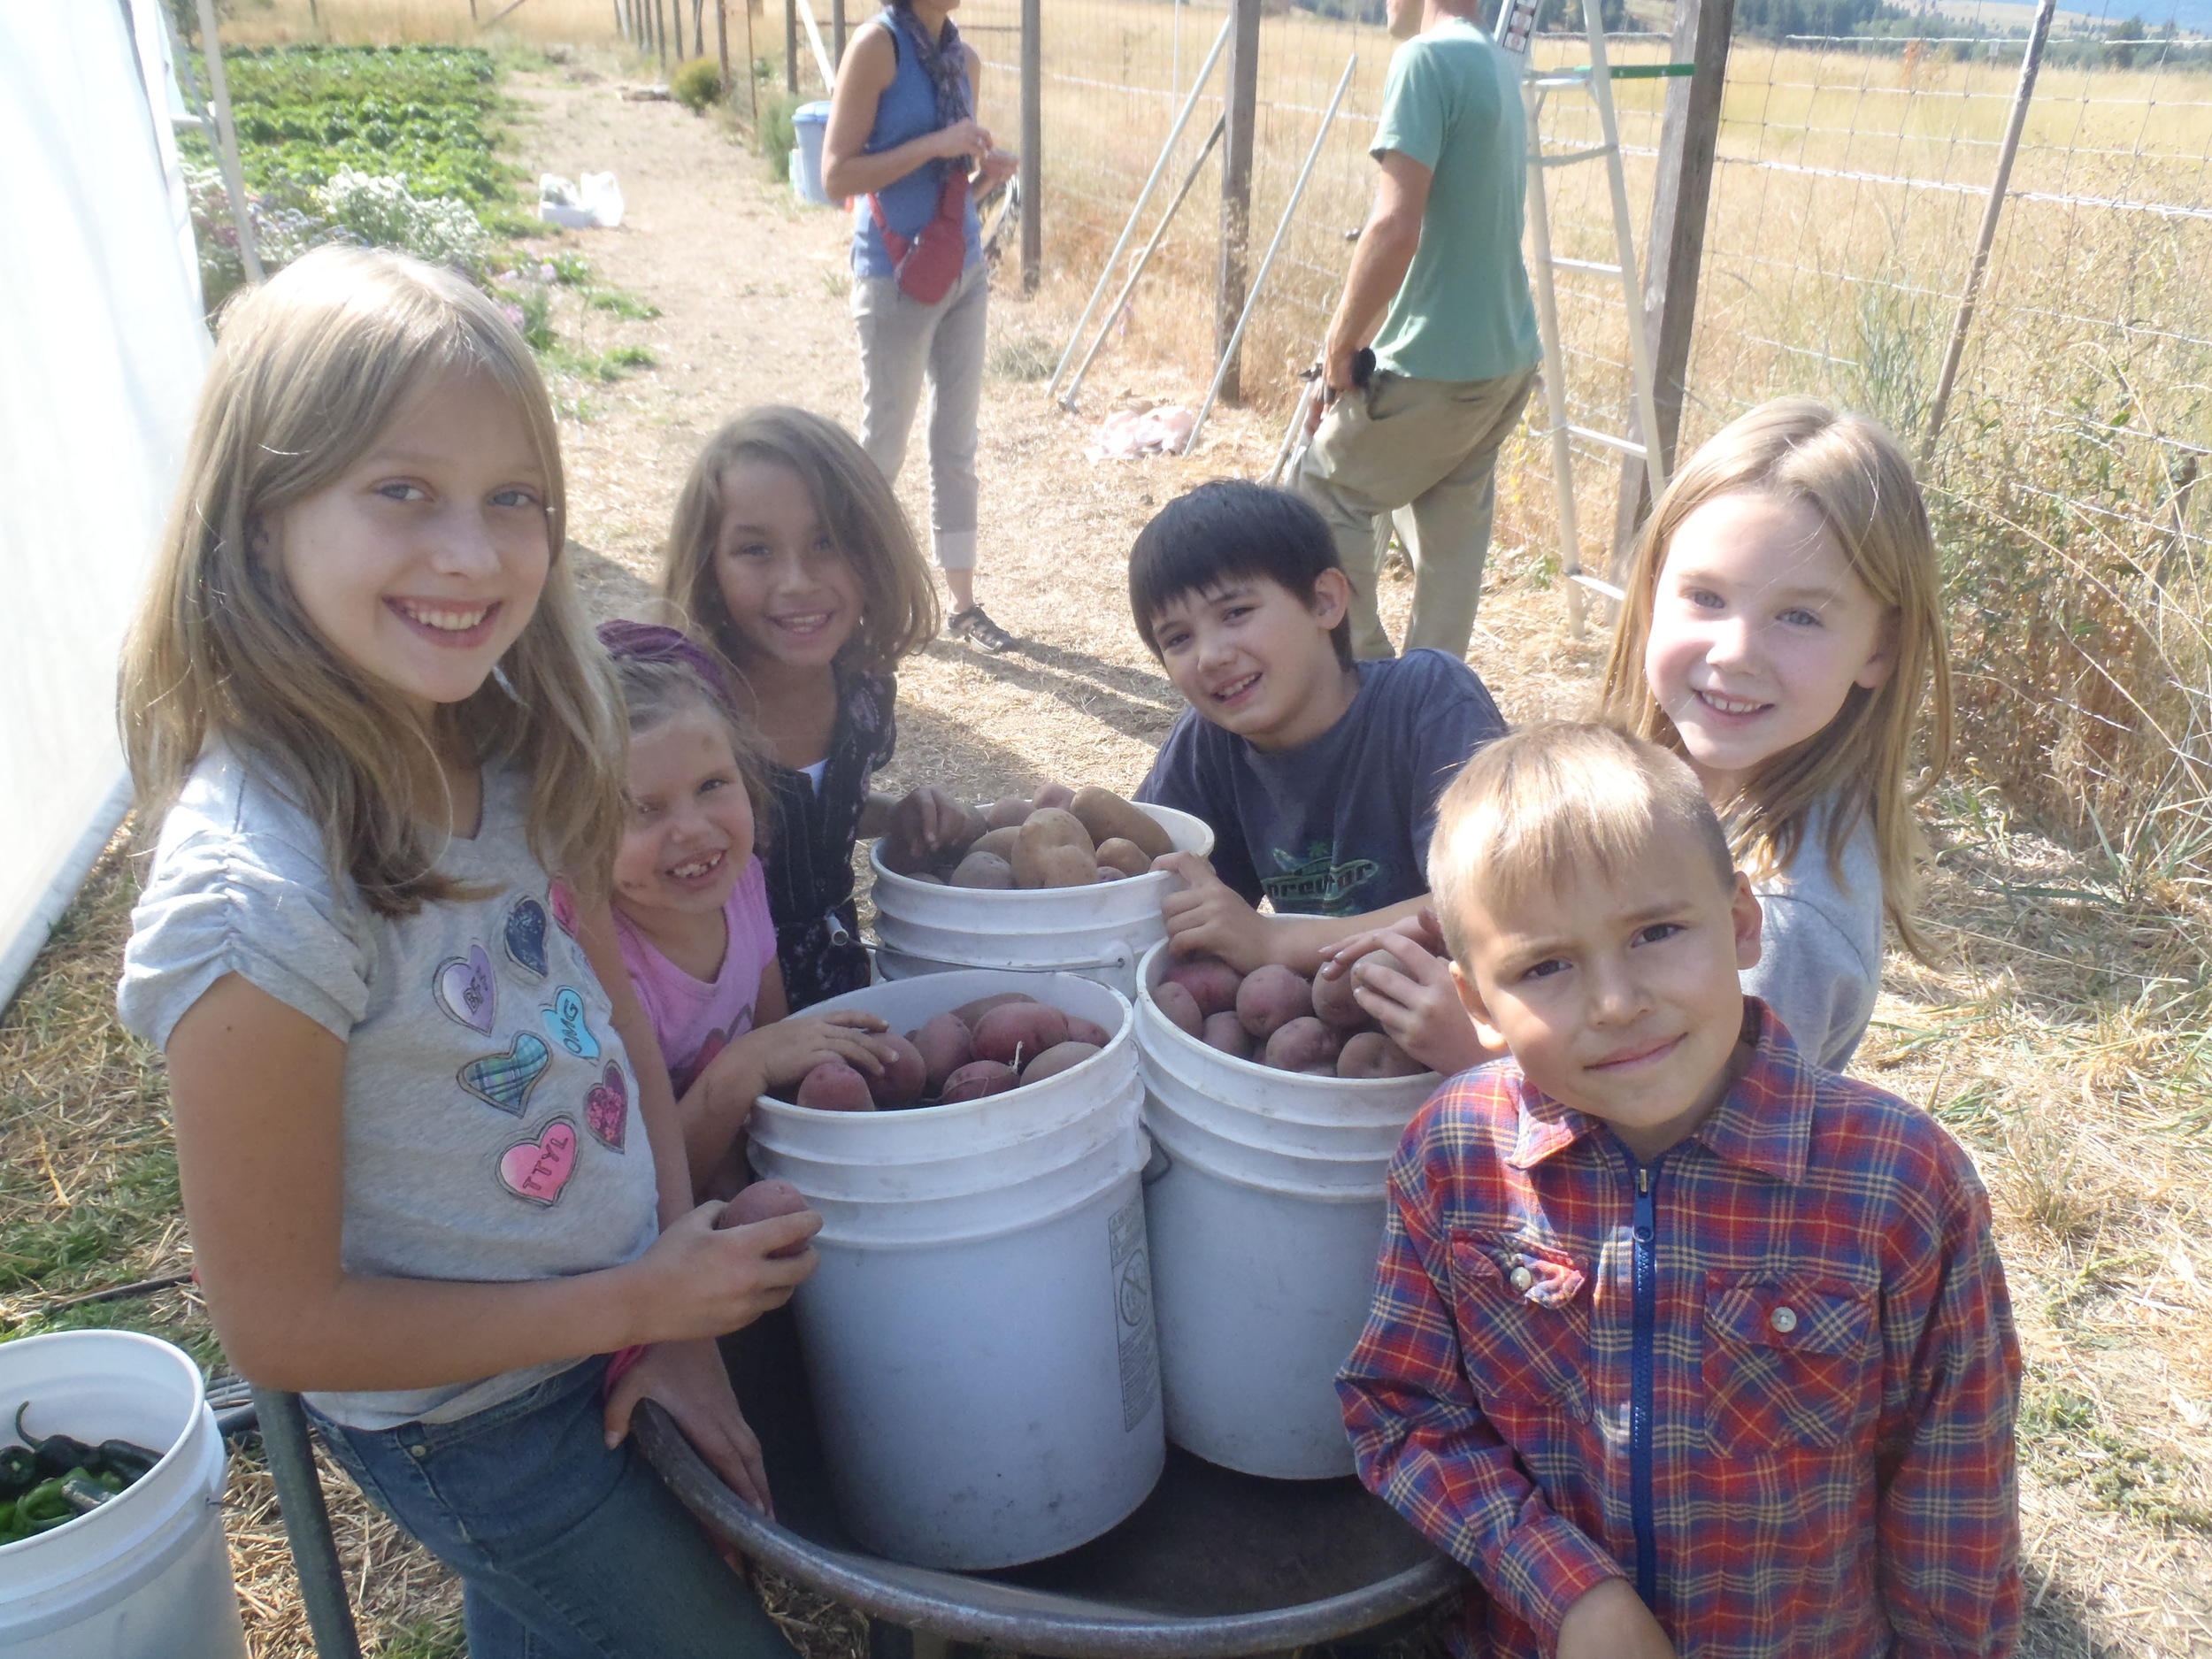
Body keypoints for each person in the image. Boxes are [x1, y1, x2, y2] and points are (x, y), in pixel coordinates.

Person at [114, 247, 814, 1659]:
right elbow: (285, 1327)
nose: (476, 554)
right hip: (478, 1425)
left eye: (516, 499)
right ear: (259, 518)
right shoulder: (255, 905)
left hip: (616, 1309)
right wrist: (640, 1298)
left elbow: (612, 1010)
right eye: (401, 492)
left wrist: (668, 1300)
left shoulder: (499, 736)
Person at [1339, 721, 2021, 1659]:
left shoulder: (1896, 1185)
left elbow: (1956, 1490)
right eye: (1545, 966)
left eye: (1656, 932)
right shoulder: (1454, 1158)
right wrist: (1573, 1595)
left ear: (1742, 923)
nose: (1616, 1001)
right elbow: (1402, 1409)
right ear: (1477, 1007)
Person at [1598, 396, 1952, 1070]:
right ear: (1650, 595)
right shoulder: (1674, 798)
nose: (1735, 652)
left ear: (1880, 648)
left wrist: (1471, 1049)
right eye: (1705, 597)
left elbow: (1703, 1153)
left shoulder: (1785, 926)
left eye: (1799, 618)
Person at [1127, 480, 1507, 973]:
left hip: (1458, 1009)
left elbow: (1498, 900)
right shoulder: (1209, 744)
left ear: (1325, 601)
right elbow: (1147, 887)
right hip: (1319, 1016)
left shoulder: (1429, 701)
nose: (1211, 657)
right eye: (1178, 639)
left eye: (1236, 613)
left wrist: (1276, 943)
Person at [659, 404, 966, 1009]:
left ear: (871, 551)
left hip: (838, 987)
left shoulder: (862, 693)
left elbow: (820, 812)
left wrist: (894, 814)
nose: (797, 580)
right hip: (715, 1015)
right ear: (709, 565)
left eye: (826, 541)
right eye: (755, 550)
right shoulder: (686, 720)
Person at [599, 621, 901, 1197]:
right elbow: (638, 1189)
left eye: (713, 784)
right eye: (644, 807)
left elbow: (780, 1044)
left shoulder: (744, 885)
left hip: (760, 1187)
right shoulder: (606, 972)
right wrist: (739, 1072)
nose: (691, 828)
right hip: (679, 1243)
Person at [1294, 0, 1540, 663]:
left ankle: (1366, 684)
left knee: (1322, 491)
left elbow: (1394, 228)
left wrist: (1339, 348)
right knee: (1448, 553)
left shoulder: (1423, 60)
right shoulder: (1495, 62)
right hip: (1505, 358)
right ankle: (1434, 708)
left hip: (1438, 364)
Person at [823, 0, 1018, 652]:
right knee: (883, 447)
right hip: (893, 274)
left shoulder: (965, 61)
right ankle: (841, 601)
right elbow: (835, 176)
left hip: (961, 265)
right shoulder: (876, 47)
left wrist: (981, 179)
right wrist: (939, 143)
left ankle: (963, 606)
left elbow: (947, 183)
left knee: (956, 443)